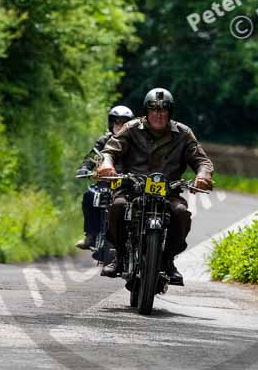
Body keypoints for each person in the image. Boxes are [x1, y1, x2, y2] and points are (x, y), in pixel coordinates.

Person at [96, 87, 214, 285]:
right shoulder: (131, 128)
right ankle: (120, 257)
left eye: (163, 109)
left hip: (168, 191)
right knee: (117, 207)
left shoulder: (183, 133)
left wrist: (203, 175)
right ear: (146, 111)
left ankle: (168, 260)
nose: (158, 114)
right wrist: (107, 163)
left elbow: (202, 160)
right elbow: (110, 149)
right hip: (132, 187)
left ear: (170, 112)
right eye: (154, 109)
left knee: (181, 213)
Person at [75, 105, 134, 249]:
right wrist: (85, 168)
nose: (119, 126)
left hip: (127, 184)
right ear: (111, 123)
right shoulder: (103, 140)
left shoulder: (135, 143)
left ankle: (135, 239)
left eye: (123, 123)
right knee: (89, 196)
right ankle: (91, 236)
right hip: (105, 183)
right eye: (117, 122)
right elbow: (92, 156)